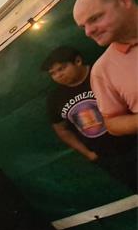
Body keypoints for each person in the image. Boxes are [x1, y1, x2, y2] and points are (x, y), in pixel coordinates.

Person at [42, 46, 137, 191]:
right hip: (108, 157)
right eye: (53, 73)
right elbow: (61, 129)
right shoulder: (54, 99)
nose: (58, 75)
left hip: (133, 141)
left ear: (78, 61)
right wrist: (89, 154)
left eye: (61, 69)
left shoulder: (102, 73)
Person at [73, 0, 138, 135]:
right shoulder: (102, 70)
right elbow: (112, 122)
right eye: (83, 26)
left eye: (94, 18)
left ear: (125, 0)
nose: (88, 32)